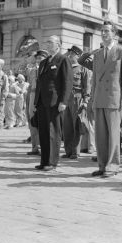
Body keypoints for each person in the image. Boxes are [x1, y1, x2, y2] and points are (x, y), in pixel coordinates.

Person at [90, 22, 122, 178]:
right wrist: (92, 98)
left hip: (114, 97)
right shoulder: (98, 54)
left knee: (113, 134)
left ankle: (112, 166)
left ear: (114, 34)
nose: (104, 33)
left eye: (107, 31)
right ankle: (102, 165)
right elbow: (94, 79)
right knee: (100, 134)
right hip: (99, 97)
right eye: (102, 31)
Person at [33, 35, 73, 171]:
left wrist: (63, 101)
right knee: (43, 132)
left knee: (53, 132)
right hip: (42, 102)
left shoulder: (63, 60)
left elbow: (67, 82)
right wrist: (35, 101)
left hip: (55, 102)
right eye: (47, 42)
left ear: (58, 45)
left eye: (51, 42)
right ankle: (44, 161)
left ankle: (52, 162)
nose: (48, 44)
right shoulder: (44, 62)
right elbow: (40, 83)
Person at [62, 45, 91, 159]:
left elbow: (87, 86)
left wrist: (85, 100)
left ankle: (75, 151)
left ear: (78, 56)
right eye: (69, 53)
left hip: (77, 97)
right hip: (66, 99)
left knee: (76, 125)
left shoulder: (83, 69)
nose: (69, 55)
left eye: (72, 54)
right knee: (67, 126)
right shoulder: (66, 68)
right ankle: (68, 150)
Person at [25, 50, 46, 156]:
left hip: (42, 96)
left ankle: (43, 148)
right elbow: (24, 65)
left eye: (40, 58)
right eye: (37, 58)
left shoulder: (47, 69)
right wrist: (33, 58)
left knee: (41, 121)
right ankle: (35, 147)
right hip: (32, 94)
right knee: (32, 120)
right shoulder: (32, 69)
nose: (38, 60)